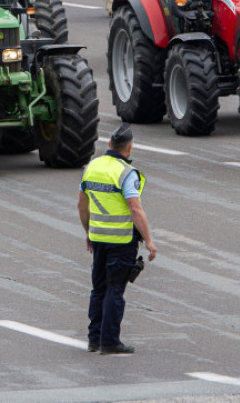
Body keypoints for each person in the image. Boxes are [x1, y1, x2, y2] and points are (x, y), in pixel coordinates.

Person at [78, 124, 157, 355]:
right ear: (129, 148)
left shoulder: (91, 167)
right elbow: (135, 208)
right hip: (121, 241)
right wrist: (149, 241)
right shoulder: (126, 173)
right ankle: (110, 341)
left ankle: (94, 339)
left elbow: (82, 205)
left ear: (109, 144)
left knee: (98, 289)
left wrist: (88, 232)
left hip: (98, 238)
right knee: (115, 289)